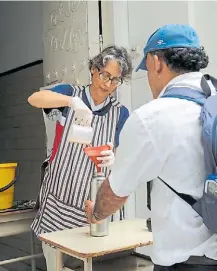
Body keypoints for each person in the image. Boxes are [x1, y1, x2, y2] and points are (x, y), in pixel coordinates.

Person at [85, 24, 217, 270]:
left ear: (156, 62)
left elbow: (115, 193)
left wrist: (96, 215)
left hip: (186, 262)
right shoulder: (213, 101)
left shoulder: (150, 117)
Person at [28, 45, 132, 269]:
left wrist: (113, 161)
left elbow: (123, 158)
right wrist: (70, 103)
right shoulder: (69, 93)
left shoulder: (120, 113)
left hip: (94, 206)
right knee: (56, 264)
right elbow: (34, 99)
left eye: (116, 80)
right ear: (94, 69)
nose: (108, 84)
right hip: (59, 200)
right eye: (105, 75)